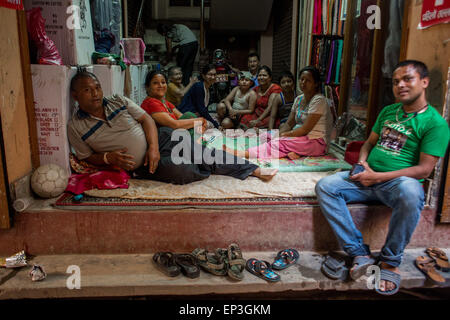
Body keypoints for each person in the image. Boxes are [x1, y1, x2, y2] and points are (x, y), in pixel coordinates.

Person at [315, 60, 450, 296]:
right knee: (326, 186)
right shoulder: (389, 111)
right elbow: (368, 143)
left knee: (411, 192)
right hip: (367, 176)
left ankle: (390, 261)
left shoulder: (435, 124)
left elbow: (424, 170)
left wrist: (377, 177)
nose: (400, 85)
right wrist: (362, 163)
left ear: (424, 82)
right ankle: (358, 252)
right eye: (396, 81)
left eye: (408, 79)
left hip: (395, 184)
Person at [67, 70, 277, 185]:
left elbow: (148, 121)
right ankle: (207, 163)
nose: (95, 93)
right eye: (87, 90)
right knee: (183, 171)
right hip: (142, 165)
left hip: (160, 138)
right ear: (75, 96)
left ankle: (250, 169)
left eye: (97, 87)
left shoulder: (117, 100)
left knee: (199, 151)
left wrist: (153, 147)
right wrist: (106, 158)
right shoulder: (76, 127)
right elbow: (85, 157)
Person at [224, 66, 332, 160]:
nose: (303, 83)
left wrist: (283, 136)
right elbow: (289, 124)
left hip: (316, 142)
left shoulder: (319, 100)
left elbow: (305, 130)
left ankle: (244, 153)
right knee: (265, 135)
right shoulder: (299, 99)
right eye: (302, 79)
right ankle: (293, 152)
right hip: (301, 137)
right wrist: (277, 134)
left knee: (279, 142)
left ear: (316, 84)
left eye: (308, 80)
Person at [141, 70, 207, 137]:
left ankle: (199, 138)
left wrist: (198, 122)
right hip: (165, 139)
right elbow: (175, 125)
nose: (160, 85)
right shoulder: (151, 103)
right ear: (147, 87)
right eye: (155, 83)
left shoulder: (164, 101)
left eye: (163, 82)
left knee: (189, 115)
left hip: (175, 135)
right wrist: (200, 120)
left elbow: (183, 117)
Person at [177, 64, 220, 129]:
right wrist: (216, 124)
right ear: (203, 76)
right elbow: (201, 109)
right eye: (210, 74)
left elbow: (203, 110)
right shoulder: (199, 86)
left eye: (215, 74)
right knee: (211, 126)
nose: (213, 77)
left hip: (196, 115)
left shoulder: (208, 88)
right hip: (186, 115)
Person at [240, 66, 282, 130]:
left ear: (270, 78)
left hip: (270, 116)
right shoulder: (255, 89)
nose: (261, 77)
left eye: (264, 75)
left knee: (257, 125)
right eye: (259, 75)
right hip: (257, 114)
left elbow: (270, 108)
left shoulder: (275, 88)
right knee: (244, 119)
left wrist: (258, 120)